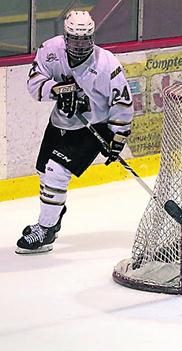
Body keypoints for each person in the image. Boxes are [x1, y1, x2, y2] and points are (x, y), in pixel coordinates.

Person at [18, 10, 133, 254]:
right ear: (66, 36)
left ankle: (45, 229)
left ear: (92, 37)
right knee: (44, 173)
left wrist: (118, 136)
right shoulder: (50, 50)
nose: (80, 45)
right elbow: (34, 84)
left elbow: (122, 103)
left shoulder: (107, 64)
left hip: (93, 127)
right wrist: (58, 89)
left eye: (85, 39)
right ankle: (53, 216)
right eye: (75, 38)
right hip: (60, 123)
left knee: (55, 172)